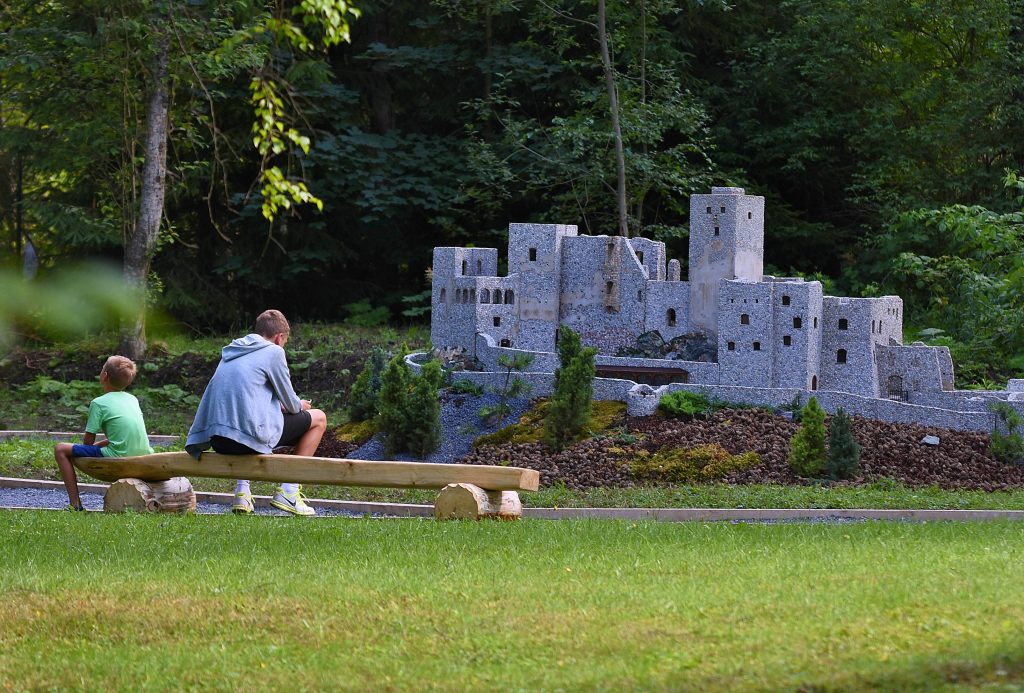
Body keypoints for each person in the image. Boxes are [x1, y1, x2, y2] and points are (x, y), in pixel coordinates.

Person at [185, 309, 326, 516]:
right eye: (285, 340)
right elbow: (292, 404)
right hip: (245, 439)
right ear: (280, 337)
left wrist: (281, 407)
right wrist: (301, 406)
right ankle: (289, 491)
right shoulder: (274, 352)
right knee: (319, 418)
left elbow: (246, 400)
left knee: (250, 423)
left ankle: (242, 494)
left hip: (218, 439)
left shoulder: (233, 351)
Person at [54, 356, 154, 511]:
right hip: (144, 453)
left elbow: (87, 444)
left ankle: (75, 504)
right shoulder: (132, 399)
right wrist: (100, 444)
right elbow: (123, 435)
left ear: (104, 376)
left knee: (60, 448)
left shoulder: (98, 403)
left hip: (118, 455)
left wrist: (94, 447)